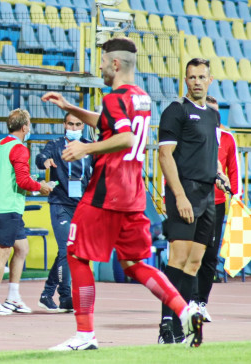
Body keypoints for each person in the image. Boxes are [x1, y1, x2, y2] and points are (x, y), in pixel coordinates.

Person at [41, 37, 204, 350]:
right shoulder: (140, 98)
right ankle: (184, 312)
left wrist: (86, 147)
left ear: (114, 64)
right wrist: (69, 107)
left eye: (102, 61)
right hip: (133, 194)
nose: (100, 66)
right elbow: (109, 123)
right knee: (135, 263)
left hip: (105, 192)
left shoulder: (115, 97)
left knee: (75, 253)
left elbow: (126, 137)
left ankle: (85, 335)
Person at [157, 58, 230, 343]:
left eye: (201, 77)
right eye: (192, 77)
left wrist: (219, 175)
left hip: (208, 196)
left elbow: (211, 155)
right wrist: (179, 195)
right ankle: (167, 326)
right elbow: (165, 156)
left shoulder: (212, 115)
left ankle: (182, 322)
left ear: (210, 80)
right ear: (185, 80)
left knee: (195, 263)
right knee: (178, 259)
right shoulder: (176, 111)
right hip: (184, 193)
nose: (196, 81)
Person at [0, 108, 52, 315]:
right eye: (29, 125)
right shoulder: (19, 148)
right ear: (25, 127)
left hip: (0, 206)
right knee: (2, 253)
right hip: (7, 208)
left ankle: (12, 297)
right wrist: (42, 187)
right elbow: (22, 180)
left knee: (21, 249)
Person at [35, 112, 93, 312]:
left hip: (83, 206)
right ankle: (65, 296)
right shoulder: (55, 145)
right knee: (66, 250)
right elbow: (40, 156)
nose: (74, 128)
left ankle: (46, 293)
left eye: (78, 125)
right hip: (60, 204)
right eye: (70, 124)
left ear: (83, 126)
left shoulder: (89, 146)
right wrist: (43, 162)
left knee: (69, 251)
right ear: (64, 124)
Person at [193, 95, 241, 322]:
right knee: (193, 252)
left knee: (210, 255)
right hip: (193, 201)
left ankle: (201, 302)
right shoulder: (192, 136)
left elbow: (234, 171)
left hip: (218, 203)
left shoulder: (228, 139)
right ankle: (189, 300)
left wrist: (236, 199)